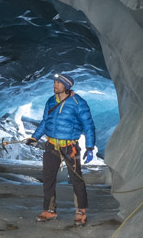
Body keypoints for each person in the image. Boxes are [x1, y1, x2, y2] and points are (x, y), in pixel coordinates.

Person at [25, 73, 97, 225]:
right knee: (48, 178)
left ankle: (81, 210)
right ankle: (49, 210)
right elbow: (45, 122)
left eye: (58, 83)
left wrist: (89, 147)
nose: (54, 85)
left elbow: (88, 126)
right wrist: (35, 137)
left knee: (76, 179)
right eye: (54, 82)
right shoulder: (51, 101)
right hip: (51, 145)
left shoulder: (79, 103)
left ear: (67, 86)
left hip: (70, 147)